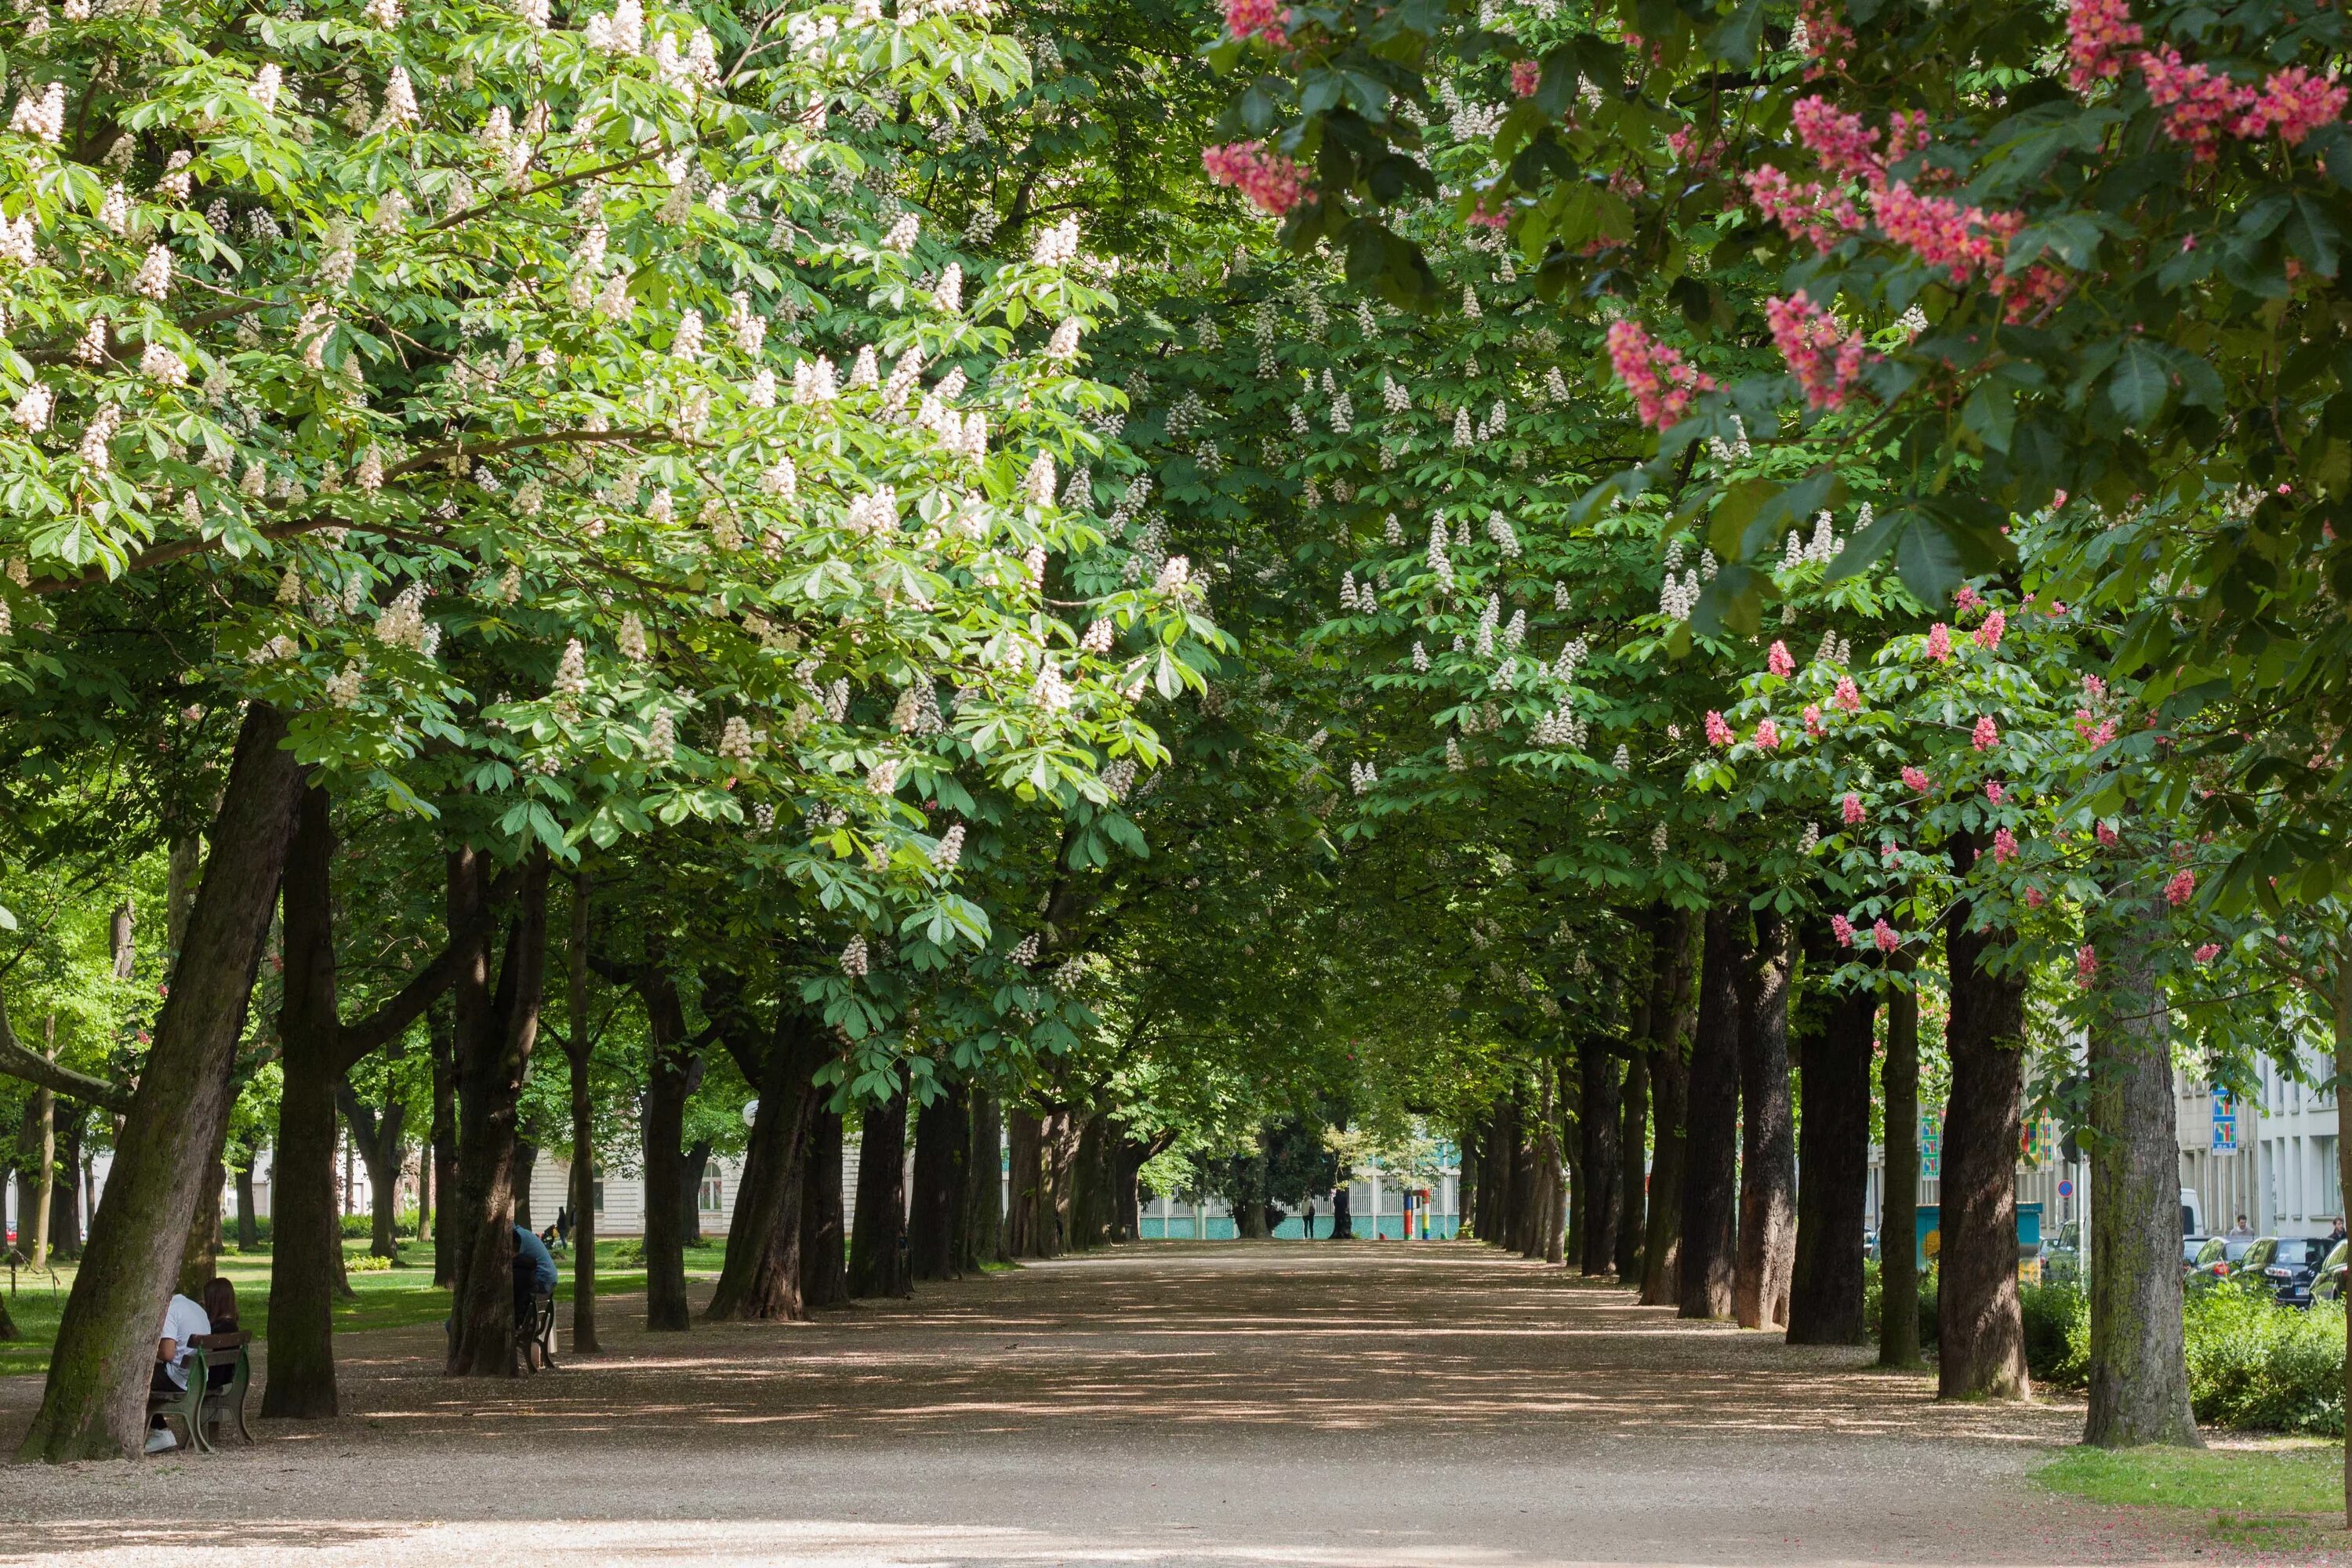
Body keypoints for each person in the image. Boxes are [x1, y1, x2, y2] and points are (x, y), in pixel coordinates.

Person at [149, 1287, 212, 1453]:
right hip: (199, 1376)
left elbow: (167, 1354)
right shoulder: (195, 1307)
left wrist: (147, 1351)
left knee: (134, 1378)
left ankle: (160, 1431)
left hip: (179, 1378)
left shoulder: (169, 1311)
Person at [512, 1221, 557, 1336]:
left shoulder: (518, 1237)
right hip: (548, 1281)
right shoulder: (524, 1233)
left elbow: (513, 1260)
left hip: (542, 1280)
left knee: (518, 1282)